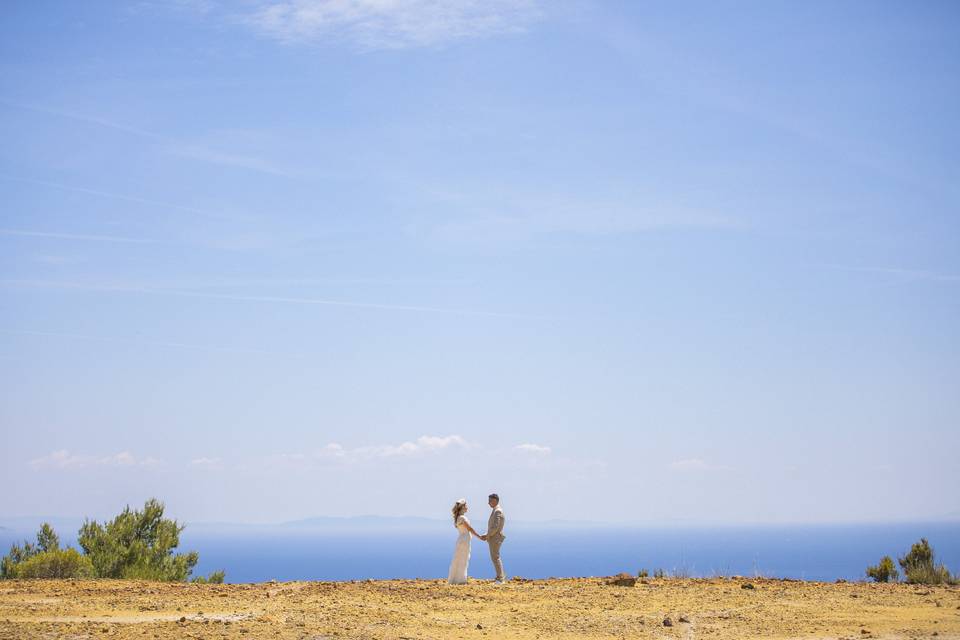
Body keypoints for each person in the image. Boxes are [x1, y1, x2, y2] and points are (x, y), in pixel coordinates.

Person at [447, 499, 482, 584]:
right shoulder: (462, 518)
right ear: (462, 507)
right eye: (466, 505)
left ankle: (455, 579)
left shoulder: (458, 518)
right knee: (463, 559)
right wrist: (479, 536)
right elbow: (469, 528)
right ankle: (461, 580)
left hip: (461, 539)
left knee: (458, 558)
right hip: (465, 540)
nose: (467, 507)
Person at [480, 493, 506, 583]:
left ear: (495, 500)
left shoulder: (497, 511)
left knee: (495, 557)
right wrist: (487, 534)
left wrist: (487, 535)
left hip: (495, 538)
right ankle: (500, 577)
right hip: (494, 537)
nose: (488, 503)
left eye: (490, 501)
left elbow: (495, 527)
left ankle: (500, 578)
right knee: (495, 557)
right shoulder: (496, 510)